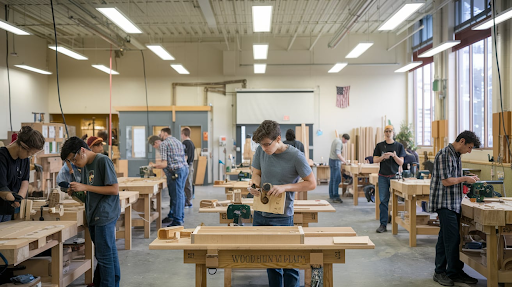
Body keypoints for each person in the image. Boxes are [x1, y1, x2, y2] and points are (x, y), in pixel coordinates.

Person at [247, 120, 316, 287]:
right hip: (260, 214)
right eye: (261, 145)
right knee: (270, 263)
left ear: (278, 139)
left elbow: (311, 183)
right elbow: (256, 173)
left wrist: (286, 187)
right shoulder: (261, 150)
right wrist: (254, 185)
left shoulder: (295, 156)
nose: (264, 148)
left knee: (288, 262)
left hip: (282, 216)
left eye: (266, 144)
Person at [61, 137, 120, 287]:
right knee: (109, 254)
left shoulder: (102, 160)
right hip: (95, 214)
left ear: (82, 151)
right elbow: (91, 193)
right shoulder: (86, 165)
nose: (74, 163)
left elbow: (114, 189)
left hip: (104, 215)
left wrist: (84, 187)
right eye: (70, 162)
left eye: (73, 159)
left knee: (105, 257)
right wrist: (75, 192)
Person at [430, 131, 480, 286]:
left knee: (446, 238)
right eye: (469, 147)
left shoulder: (456, 155)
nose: (469, 151)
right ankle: (443, 272)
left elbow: (452, 176)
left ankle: (452, 271)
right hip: (445, 203)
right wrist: (465, 178)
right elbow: (446, 181)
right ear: (462, 141)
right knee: (452, 239)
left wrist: (466, 176)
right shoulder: (445, 154)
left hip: (453, 202)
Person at [0, 126, 45, 222]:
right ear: (23, 146)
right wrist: (13, 199)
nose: (30, 156)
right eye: (30, 154)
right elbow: (2, 188)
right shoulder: (2, 157)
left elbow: (25, 181)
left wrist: (19, 197)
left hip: (8, 211)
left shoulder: (24, 159)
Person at [148, 128, 188, 227]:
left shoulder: (164, 144)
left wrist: (153, 166)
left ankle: (178, 220)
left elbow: (164, 164)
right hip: (183, 170)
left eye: (161, 133)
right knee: (179, 195)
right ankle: (173, 216)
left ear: (165, 133)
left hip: (176, 172)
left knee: (177, 196)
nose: (160, 135)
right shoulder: (178, 141)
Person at [373, 125, 406, 233]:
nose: (388, 133)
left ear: (393, 133)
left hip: (395, 177)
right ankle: (383, 224)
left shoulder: (399, 146)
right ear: (384, 133)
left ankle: (397, 223)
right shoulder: (380, 146)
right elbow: (374, 160)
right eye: (386, 131)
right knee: (383, 200)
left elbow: (401, 162)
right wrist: (383, 157)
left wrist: (394, 156)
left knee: (398, 200)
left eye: (390, 131)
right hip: (383, 176)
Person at [328, 133, 350, 203]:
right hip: (335, 161)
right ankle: (336, 196)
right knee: (337, 179)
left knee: (332, 179)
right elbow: (338, 154)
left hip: (331, 160)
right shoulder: (339, 143)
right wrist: (345, 161)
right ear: (344, 138)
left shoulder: (336, 140)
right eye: (346, 141)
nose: (346, 142)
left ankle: (331, 195)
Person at [181, 127, 195, 208]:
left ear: (183, 134)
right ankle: (188, 199)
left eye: (181, 134)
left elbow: (186, 156)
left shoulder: (185, 143)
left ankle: (188, 200)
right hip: (190, 165)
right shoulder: (191, 143)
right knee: (188, 182)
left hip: (187, 165)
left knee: (186, 183)